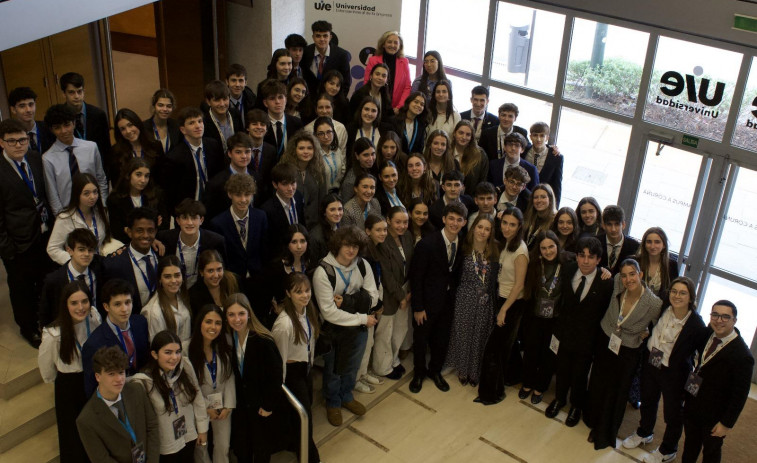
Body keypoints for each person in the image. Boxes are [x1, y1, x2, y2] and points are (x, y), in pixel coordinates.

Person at [621, 277, 705, 463]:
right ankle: (645, 432)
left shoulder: (697, 325)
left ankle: (668, 449)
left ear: (691, 297)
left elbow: (702, 356)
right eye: (674, 291)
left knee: (673, 413)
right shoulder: (663, 307)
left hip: (674, 373)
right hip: (652, 362)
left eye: (683, 293)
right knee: (648, 400)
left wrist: (694, 382)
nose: (677, 296)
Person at [585, 259, 662, 450]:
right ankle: (591, 419)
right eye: (625, 275)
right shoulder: (618, 280)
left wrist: (647, 333)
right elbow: (606, 275)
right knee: (598, 380)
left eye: (632, 274)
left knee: (616, 390)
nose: (628, 279)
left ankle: (604, 430)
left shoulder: (653, 303)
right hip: (606, 338)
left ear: (640, 275)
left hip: (628, 348)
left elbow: (658, 326)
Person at [312, 226, 379, 426]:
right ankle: (333, 402)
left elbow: (373, 298)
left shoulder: (362, 265)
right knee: (333, 369)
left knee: (352, 366)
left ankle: (346, 396)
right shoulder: (323, 272)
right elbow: (329, 312)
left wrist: (348, 302)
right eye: (347, 245)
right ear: (337, 244)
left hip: (357, 327)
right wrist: (360, 316)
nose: (351, 250)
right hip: (335, 329)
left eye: (356, 246)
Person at [545, 236, 614, 426]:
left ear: (599, 260)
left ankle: (576, 405)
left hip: (587, 338)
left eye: (591, 257)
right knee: (562, 368)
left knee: (580, 374)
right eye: (582, 255)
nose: (585, 260)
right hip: (564, 331)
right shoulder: (568, 270)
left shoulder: (605, 282)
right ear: (576, 256)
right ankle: (559, 399)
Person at [0, 119, 56, 346]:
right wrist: (7, 248)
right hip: (16, 241)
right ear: (2, 143)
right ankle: (28, 327)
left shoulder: (35, 159)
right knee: (21, 287)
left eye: (22, 139)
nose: (18, 145)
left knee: (44, 279)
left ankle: (45, 319)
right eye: (11, 141)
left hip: (43, 233)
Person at [681, 300, 754, 463]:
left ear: (734, 321)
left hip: (715, 415)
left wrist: (726, 424)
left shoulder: (743, 356)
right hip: (694, 404)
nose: (719, 320)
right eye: (715, 315)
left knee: (711, 452)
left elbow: (739, 396)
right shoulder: (707, 334)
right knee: (690, 445)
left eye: (725, 317)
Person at [38, 280, 102, 462]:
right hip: (69, 387)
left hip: (93, 379)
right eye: (74, 303)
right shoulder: (53, 334)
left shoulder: (94, 317)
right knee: (73, 437)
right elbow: (47, 370)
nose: (80, 307)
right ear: (65, 305)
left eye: (84, 301)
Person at [409, 202, 467, 394]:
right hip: (426, 303)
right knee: (421, 340)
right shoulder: (427, 244)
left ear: (464, 222)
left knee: (441, 340)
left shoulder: (463, 244)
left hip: (447, 303)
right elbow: (416, 278)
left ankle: (435, 371)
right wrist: (418, 307)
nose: (454, 223)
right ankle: (418, 374)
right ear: (443, 219)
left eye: (459, 220)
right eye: (451, 218)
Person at [476, 207, 528, 404]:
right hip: (501, 299)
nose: (507, 228)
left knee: (493, 351)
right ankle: (495, 389)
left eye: (512, 225)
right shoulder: (508, 244)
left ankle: (491, 395)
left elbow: (519, 285)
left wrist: (504, 310)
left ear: (519, 226)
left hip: (511, 304)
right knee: (499, 349)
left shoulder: (520, 251)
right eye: (505, 223)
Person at [131, 330, 209, 461]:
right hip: (166, 443)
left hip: (188, 434)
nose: (175, 357)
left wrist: (202, 429)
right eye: (168, 352)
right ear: (155, 354)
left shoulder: (185, 366)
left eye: (178, 351)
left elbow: (198, 398)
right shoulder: (144, 381)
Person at [225, 293, 283, 462]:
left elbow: (276, 375)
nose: (237, 319)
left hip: (260, 407)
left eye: (241, 314)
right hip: (240, 407)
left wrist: (268, 405)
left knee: (261, 448)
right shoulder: (228, 340)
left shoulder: (263, 340)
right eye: (231, 315)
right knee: (242, 448)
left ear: (249, 313)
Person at [76, 346, 160, 463]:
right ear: (98, 377)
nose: (119, 379)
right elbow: (101, 459)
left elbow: (152, 426)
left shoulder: (136, 390)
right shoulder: (86, 419)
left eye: (121, 372)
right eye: (111, 374)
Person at [271, 273, 322, 463]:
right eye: (298, 292)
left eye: (307, 290)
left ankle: (299, 446)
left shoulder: (309, 311)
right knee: (304, 419)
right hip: (291, 375)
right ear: (288, 294)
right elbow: (280, 359)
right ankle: (311, 458)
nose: (305, 295)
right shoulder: (284, 325)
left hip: (305, 368)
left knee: (304, 417)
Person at [445, 213, 500, 386]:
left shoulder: (495, 251)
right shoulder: (463, 247)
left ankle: (474, 371)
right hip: (464, 299)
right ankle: (462, 369)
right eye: (480, 227)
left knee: (479, 337)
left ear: (491, 232)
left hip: (485, 301)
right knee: (463, 335)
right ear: (473, 227)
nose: (483, 232)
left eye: (487, 229)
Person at [209, 173, 270, 323]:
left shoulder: (261, 217)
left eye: (247, 195)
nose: (243, 200)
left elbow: (265, 251)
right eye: (238, 195)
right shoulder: (218, 223)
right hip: (233, 284)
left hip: (257, 282)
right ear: (230, 194)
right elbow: (221, 258)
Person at [81, 278, 150, 396]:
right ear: (106, 307)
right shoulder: (94, 344)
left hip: (144, 389)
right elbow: (92, 388)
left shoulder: (140, 323)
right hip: (117, 397)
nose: (124, 309)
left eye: (128, 302)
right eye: (117, 304)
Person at [519, 231, 565, 405]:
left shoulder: (567, 263)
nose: (548, 251)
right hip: (535, 317)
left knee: (549, 354)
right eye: (544, 248)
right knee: (531, 351)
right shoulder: (534, 265)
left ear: (557, 246)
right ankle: (528, 383)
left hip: (556, 319)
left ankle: (540, 387)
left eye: (551, 247)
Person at [187, 304, 236, 463]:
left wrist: (229, 405)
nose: (213, 327)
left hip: (222, 406)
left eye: (218, 323)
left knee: (223, 446)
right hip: (198, 407)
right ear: (200, 322)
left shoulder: (225, 344)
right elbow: (188, 386)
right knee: (201, 448)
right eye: (208, 322)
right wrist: (206, 408)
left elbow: (229, 377)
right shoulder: (185, 349)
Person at [42, 103, 109, 216]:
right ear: (52, 130)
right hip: (68, 213)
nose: (63, 131)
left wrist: (103, 206)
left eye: (67, 125)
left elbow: (101, 179)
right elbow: (52, 195)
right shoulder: (48, 158)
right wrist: (62, 218)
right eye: (57, 128)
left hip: (95, 209)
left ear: (74, 123)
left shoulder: (91, 147)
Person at [374, 206, 414, 380]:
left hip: (405, 288)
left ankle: (393, 358)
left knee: (400, 328)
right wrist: (401, 296)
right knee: (385, 331)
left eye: (405, 222)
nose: (402, 226)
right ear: (388, 220)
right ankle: (382, 367)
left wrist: (410, 291)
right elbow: (386, 274)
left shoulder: (407, 236)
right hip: (390, 292)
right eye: (398, 222)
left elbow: (412, 264)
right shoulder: (383, 241)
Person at [163, 107, 224, 212]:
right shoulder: (174, 157)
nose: (198, 126)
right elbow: (171, 192)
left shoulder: (213, 145)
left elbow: (220, 175)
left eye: (200, 121)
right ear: (183, 129)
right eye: (191, 123)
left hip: (213, 205)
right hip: (188, 208)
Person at [158, 199, 227, 288]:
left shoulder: (216, 242)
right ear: (178, 221)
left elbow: (224, 271)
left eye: (194, 218)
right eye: (185, 218)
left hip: (202, 291)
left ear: (201, 220)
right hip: (173, 289)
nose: (189, 223)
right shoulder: (164, 238)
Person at [47, 172, 114, 264]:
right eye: (86, 193)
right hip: (79, 268)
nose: (92, 197)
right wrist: (74, 262)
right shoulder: (65, 218)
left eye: (95, 192)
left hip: (98, 263)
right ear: (77, 195)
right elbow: (52, 248)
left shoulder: (101, 213)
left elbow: (103, 241)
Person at [39, 229, 102, 326]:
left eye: (90, 250)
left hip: (96, 324)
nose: (86, 254)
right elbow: (45, 314)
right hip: (68, 328)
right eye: (81, 249)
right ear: (69, 250)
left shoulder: (100, 269)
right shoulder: (54, 280)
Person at [101, 207, 160, 311]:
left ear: (155, 232)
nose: (146, 235)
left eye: (150, 230)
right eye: (139, 230)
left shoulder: (161, 253)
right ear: (129, 232)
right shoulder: (114, 264)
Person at [354, 215, 387, 394]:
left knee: (370, 341)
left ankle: (364, 372)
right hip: (367, 305)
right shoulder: (364, 254)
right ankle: (357, 378)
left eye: (384, 229)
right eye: (378, 230)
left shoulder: (377, 249)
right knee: (364, 343)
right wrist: (375, 305)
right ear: (367, 231)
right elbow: (366, 286)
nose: (383, 233)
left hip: (375, 300)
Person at [107, 158, 168, 244]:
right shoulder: (115, 199)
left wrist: (132, 230)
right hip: (127, 245)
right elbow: (118, 231)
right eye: (138, 175)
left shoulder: (156, 195)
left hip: (154, 243)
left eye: (146, 176)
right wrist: (152, 228)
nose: (143, 180)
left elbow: (164, 225)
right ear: (128, 175)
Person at [59, 72, 110, 164]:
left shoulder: (98, 115)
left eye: (79, 91)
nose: (76, 96)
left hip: (97, 164)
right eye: (71, 92)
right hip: (73, 166)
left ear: (84, 91)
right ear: (63, 94)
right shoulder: (59, 117)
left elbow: (106, 148)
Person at [280, 131, 326, 228]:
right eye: (301, 148)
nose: (306, 152)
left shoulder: (319, 170)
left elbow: (322, 198)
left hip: (314, 225)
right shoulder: (285, 170)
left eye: (309, 148)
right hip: (292, 224)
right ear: (294, 150)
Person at [141, 255, 192, 342]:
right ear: (160, 279)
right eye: (167, 277)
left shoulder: (181, 296)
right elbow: (158, 347)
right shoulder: (154, 312)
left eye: (177, 275)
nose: (173, 280)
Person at [260, 163, 306, 253]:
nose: (290, 188)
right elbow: (268, 242)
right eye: (285, 184)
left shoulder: (298, 196)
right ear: (275, 184)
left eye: (293, 183)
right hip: (280, 255)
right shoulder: (267, 210)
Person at [265, 224, 313, 307]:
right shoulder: (276, 267)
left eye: (302, 241)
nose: (299, 246)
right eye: (294, 242)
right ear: (287, 244)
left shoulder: (310, 263)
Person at [110, 108, 162, 182]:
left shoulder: (155, 146)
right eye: (123, 129)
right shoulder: (115, 152)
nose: (128, 131)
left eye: (130, 125)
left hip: (153, 192)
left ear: (138, 124)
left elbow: (162, 177)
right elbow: (116, 183)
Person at [364, 31, 412, 111]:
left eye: (396, 43)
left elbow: (407, 87)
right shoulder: (373, 60)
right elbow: (367, 82)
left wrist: (399, 107)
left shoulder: (404, 62)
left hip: (396, 109)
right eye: (389, 42)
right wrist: (372, 104)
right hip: (375, 107)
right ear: (383, 44)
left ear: (399, 46)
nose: (392, 45)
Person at [301, 20, 352, 96]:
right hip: (309, 100)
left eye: (325, 36)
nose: (322, 39)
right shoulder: (305, 52)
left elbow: (346, 83)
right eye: (318, 36)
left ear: (330, 37)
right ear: (313, 37)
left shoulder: (342, 55)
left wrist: (335, 102)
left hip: (332, 102)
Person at [260, 79, 304, 160]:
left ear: (286, 99)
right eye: (272, 98)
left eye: (280, 97)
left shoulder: (297, 123)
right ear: (265, 103)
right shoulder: (260, 124)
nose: (277, 102)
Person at [188, 250, 240, 318]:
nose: (216, 275)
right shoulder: (193, 294)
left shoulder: (234, 280)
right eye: (210, 271)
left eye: (219, 269)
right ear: (201, 272)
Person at [244, 109, 278, 206]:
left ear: (267, 129)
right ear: (247, 127)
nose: (259, 127)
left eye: (262, 124)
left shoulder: (271, 150)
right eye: (254, 124)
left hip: (264, 199)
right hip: (244, 197)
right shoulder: (239, 149)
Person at [525, 122, 563, 205]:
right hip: (525, 198)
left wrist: (555, 207)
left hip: (544, 201)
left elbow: (557, 185)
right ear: (530, 137)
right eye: (535, 135)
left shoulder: (556, 157)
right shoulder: (524, 151)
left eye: (542, 136)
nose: (538, 139)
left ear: (547, 138)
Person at [635, 227, 679, 299]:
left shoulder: (672, 265)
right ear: (644, 244)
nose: (652, 246)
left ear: (664, 245)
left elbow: (672, 292)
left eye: (657, 242)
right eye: (649, 242)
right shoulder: (635, 261)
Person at [8, 86, 55, 153]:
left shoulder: (49, 128)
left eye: (31, 104)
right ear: (13, 110)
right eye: (22, 106)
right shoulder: (10, 136)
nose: (28, 110)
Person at [203, 80, 244, 152]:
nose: (222, 104)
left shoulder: (235, 114)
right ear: (208, 102)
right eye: (217, 100)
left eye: (225, 99)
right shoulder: (204, 122)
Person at [598, 205, 640, 275]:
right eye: (609, 224)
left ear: (623, 225)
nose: (613, 229)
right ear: (603, 225)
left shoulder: (634, 246)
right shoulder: (596, 242)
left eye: (617, 224)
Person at [453, 119, 489, 194]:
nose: (464, 137)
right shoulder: (447, 152)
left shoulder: (480, 155)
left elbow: (483, 181)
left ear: (472, 137)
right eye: (461, 133)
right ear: (454, 133)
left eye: (468, 134)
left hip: (472, 199)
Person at [340, 137, 379, 203]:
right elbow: (345, 206)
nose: (371, 158)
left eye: (373, 154)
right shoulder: (351, 181)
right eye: (366, 155)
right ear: (357, 156)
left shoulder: (371, 170)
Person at [143, 88, 182, 154]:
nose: (165, 109)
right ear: (154, 106)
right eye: (160, 105)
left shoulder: (177, 126)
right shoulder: (144, 127)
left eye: (169, 106)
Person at [313, 116, 346, 193]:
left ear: (333, 132)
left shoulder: (337, 151)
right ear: (315, 135)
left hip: (337, 193)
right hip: (321, 195)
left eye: (329, 132)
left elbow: (342, 171)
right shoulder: (314, 154)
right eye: (321, 134)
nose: (326, 136)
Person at [309, 193, 343, 262]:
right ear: (324, 212)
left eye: (340, 209)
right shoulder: (315, 236)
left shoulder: (342, 227)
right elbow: (314, 264)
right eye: (332, 210)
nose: (337, 213)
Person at [523, 184, 557, 249]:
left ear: (550, 199)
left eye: (543, 197)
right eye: (536, 197)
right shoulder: (529, 215)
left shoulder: (555, 221)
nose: (539, 200)